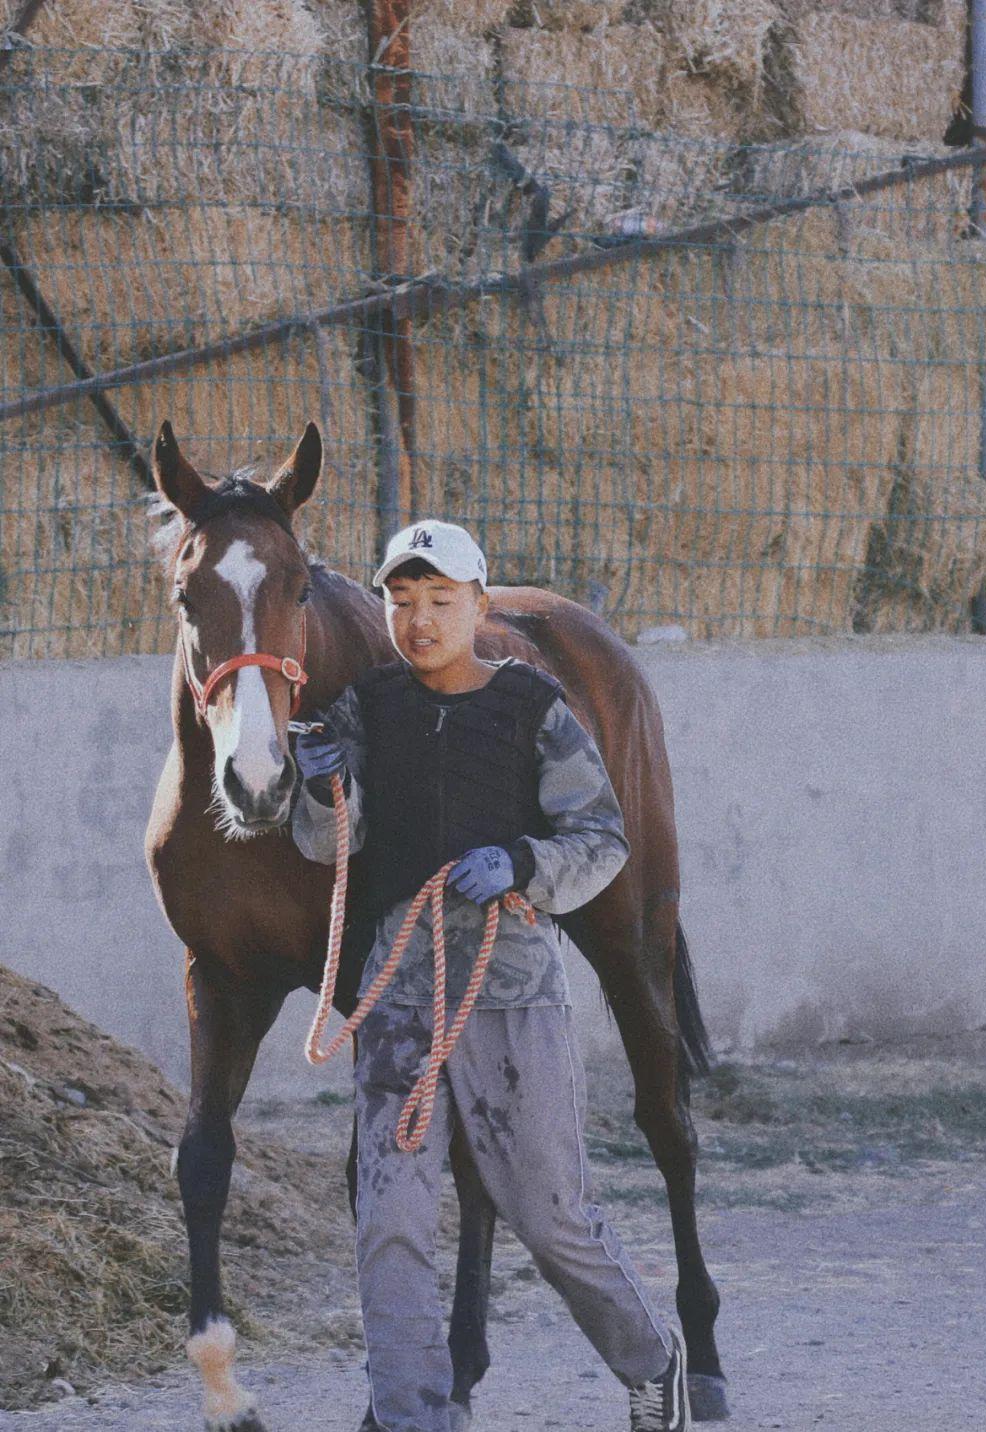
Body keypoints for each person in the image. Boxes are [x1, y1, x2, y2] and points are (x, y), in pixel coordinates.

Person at [291, 519, 691, 1432]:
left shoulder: (533, 707)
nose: (419, 620)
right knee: (389, 1219)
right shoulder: (368, 708)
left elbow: (601, 842)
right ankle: (411, 1414)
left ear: (480, 604)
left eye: (439, 601)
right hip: (398, 998)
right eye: (401, 602)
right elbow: (330, 847)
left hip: (509, 994)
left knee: (551, 1217)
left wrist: (520, 864)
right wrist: (319, 788)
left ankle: (650, 1363)